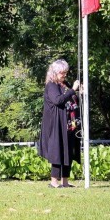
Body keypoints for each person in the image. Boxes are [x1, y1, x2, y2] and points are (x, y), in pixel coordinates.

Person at [38, 59, 81, 188]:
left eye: (66, 73)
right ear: (55, 72)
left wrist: (79, 91)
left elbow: (71, 97)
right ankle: (54, 181)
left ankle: (65, 181)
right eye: (62, 73)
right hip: (56, 124)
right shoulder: (51, 85)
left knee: (68, 150)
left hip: (68, 123)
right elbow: (58, 100)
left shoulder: (64, 85)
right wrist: (73, 90)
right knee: (57, 150)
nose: (64, 75)